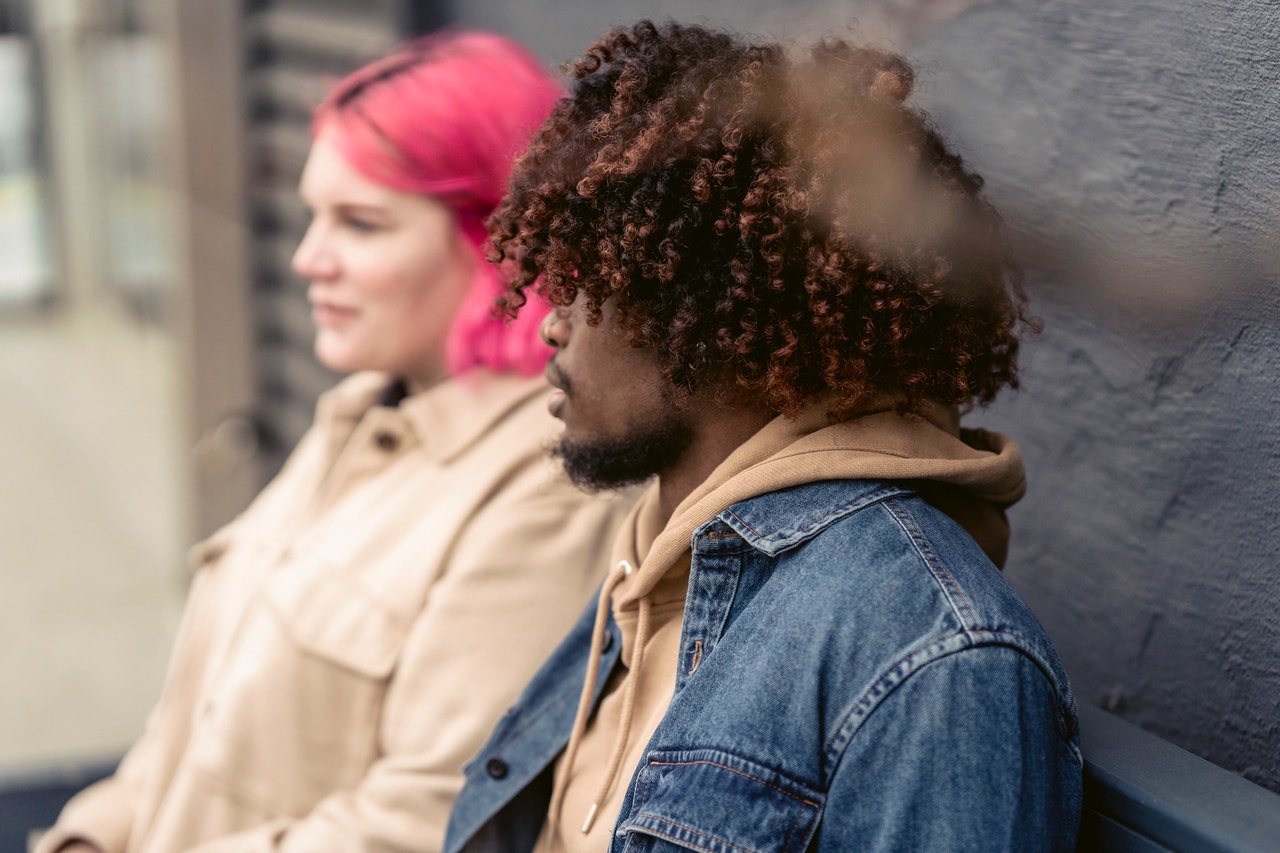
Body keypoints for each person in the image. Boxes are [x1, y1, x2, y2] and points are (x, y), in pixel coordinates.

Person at [444, 20, 1082, 852]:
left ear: (712, 317)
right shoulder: (658, 565)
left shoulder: (940, 656)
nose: (551, 326)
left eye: (592, 281)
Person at [39, 32, 631, 853]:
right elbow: (196, 721)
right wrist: (93, 834)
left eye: (361, 223)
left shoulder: (547, 481)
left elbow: (425, 819)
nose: (307, 258)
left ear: (501, 238)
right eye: (313, 215)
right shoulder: (363, 412)